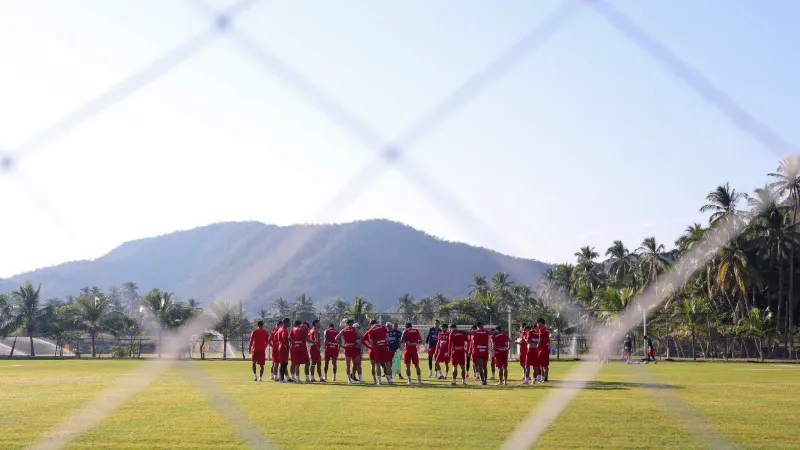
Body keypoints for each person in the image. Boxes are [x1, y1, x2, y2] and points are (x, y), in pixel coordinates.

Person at [362, 320, 394, 385]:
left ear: (370, 324)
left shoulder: (370, 330)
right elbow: (387, 338)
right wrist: (386, 344)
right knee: (388, 363)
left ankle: (379, 381)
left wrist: (370, 347)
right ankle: (389, 380)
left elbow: (369, 341)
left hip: (376, 348)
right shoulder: (383, 327)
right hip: (384, 347)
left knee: (377, 365)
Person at [335, 320, 362, 384]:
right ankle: (360, 379)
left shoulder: (343, 330)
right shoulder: (354, 329)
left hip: (347, 348)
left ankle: (349, 380)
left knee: (348, 365)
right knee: (358, 364)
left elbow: (336, 338)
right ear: (351, 323)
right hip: (353, 347)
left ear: (347, 324)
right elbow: (361, 336)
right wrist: (359, 343)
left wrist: (341, 345)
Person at [536, 318, 550, 383]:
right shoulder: (547, 330)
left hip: (542, 349)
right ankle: (543, 378)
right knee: (544, 365)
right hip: (547, 348)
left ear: (541, 323)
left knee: (543, 365)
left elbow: (540, 340)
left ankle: (544, 378)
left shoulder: (541, 330)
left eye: (538, 323)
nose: (537, 324)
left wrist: (537, 347)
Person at [277, 318, 291, 382]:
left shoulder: (280, 329)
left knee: (283, 362)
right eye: (289, 322)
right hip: (283, 346)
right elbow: (284, 337)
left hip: (280, 345)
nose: (289, 323)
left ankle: (281, 378)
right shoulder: (284, 329)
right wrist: (286, 344)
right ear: (285, 322)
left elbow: (275, 336)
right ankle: (281, 378)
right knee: (284, 363)